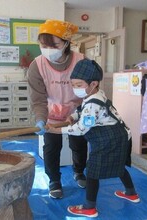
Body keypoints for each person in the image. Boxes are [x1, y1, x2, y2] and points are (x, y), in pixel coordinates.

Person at [47, 59, 140, 218]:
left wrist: (56, 130)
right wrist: (73, 115)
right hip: (119, 135)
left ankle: (89, 208)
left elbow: (80, 129)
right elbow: (83, 110)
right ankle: (131, 193)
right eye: (73, 84)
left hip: (110, 139)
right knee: (118, 165)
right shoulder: (96, 94)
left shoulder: (93, 104)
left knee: (92, 171)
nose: (75, 88)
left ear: (93, 84)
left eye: (79, 85)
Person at [27, 19, 88, 199]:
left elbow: (89, 90)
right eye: (43, 45)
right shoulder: (36, 66)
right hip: (51, 113)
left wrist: (82, 113)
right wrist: (40, 119)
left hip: (76, 112)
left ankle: (79, 171)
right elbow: (38, 98)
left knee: (79, 144)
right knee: (51, 147)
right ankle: (54, 180)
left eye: (54, 45)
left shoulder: (81, 61)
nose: (48, 49)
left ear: (66, 43)